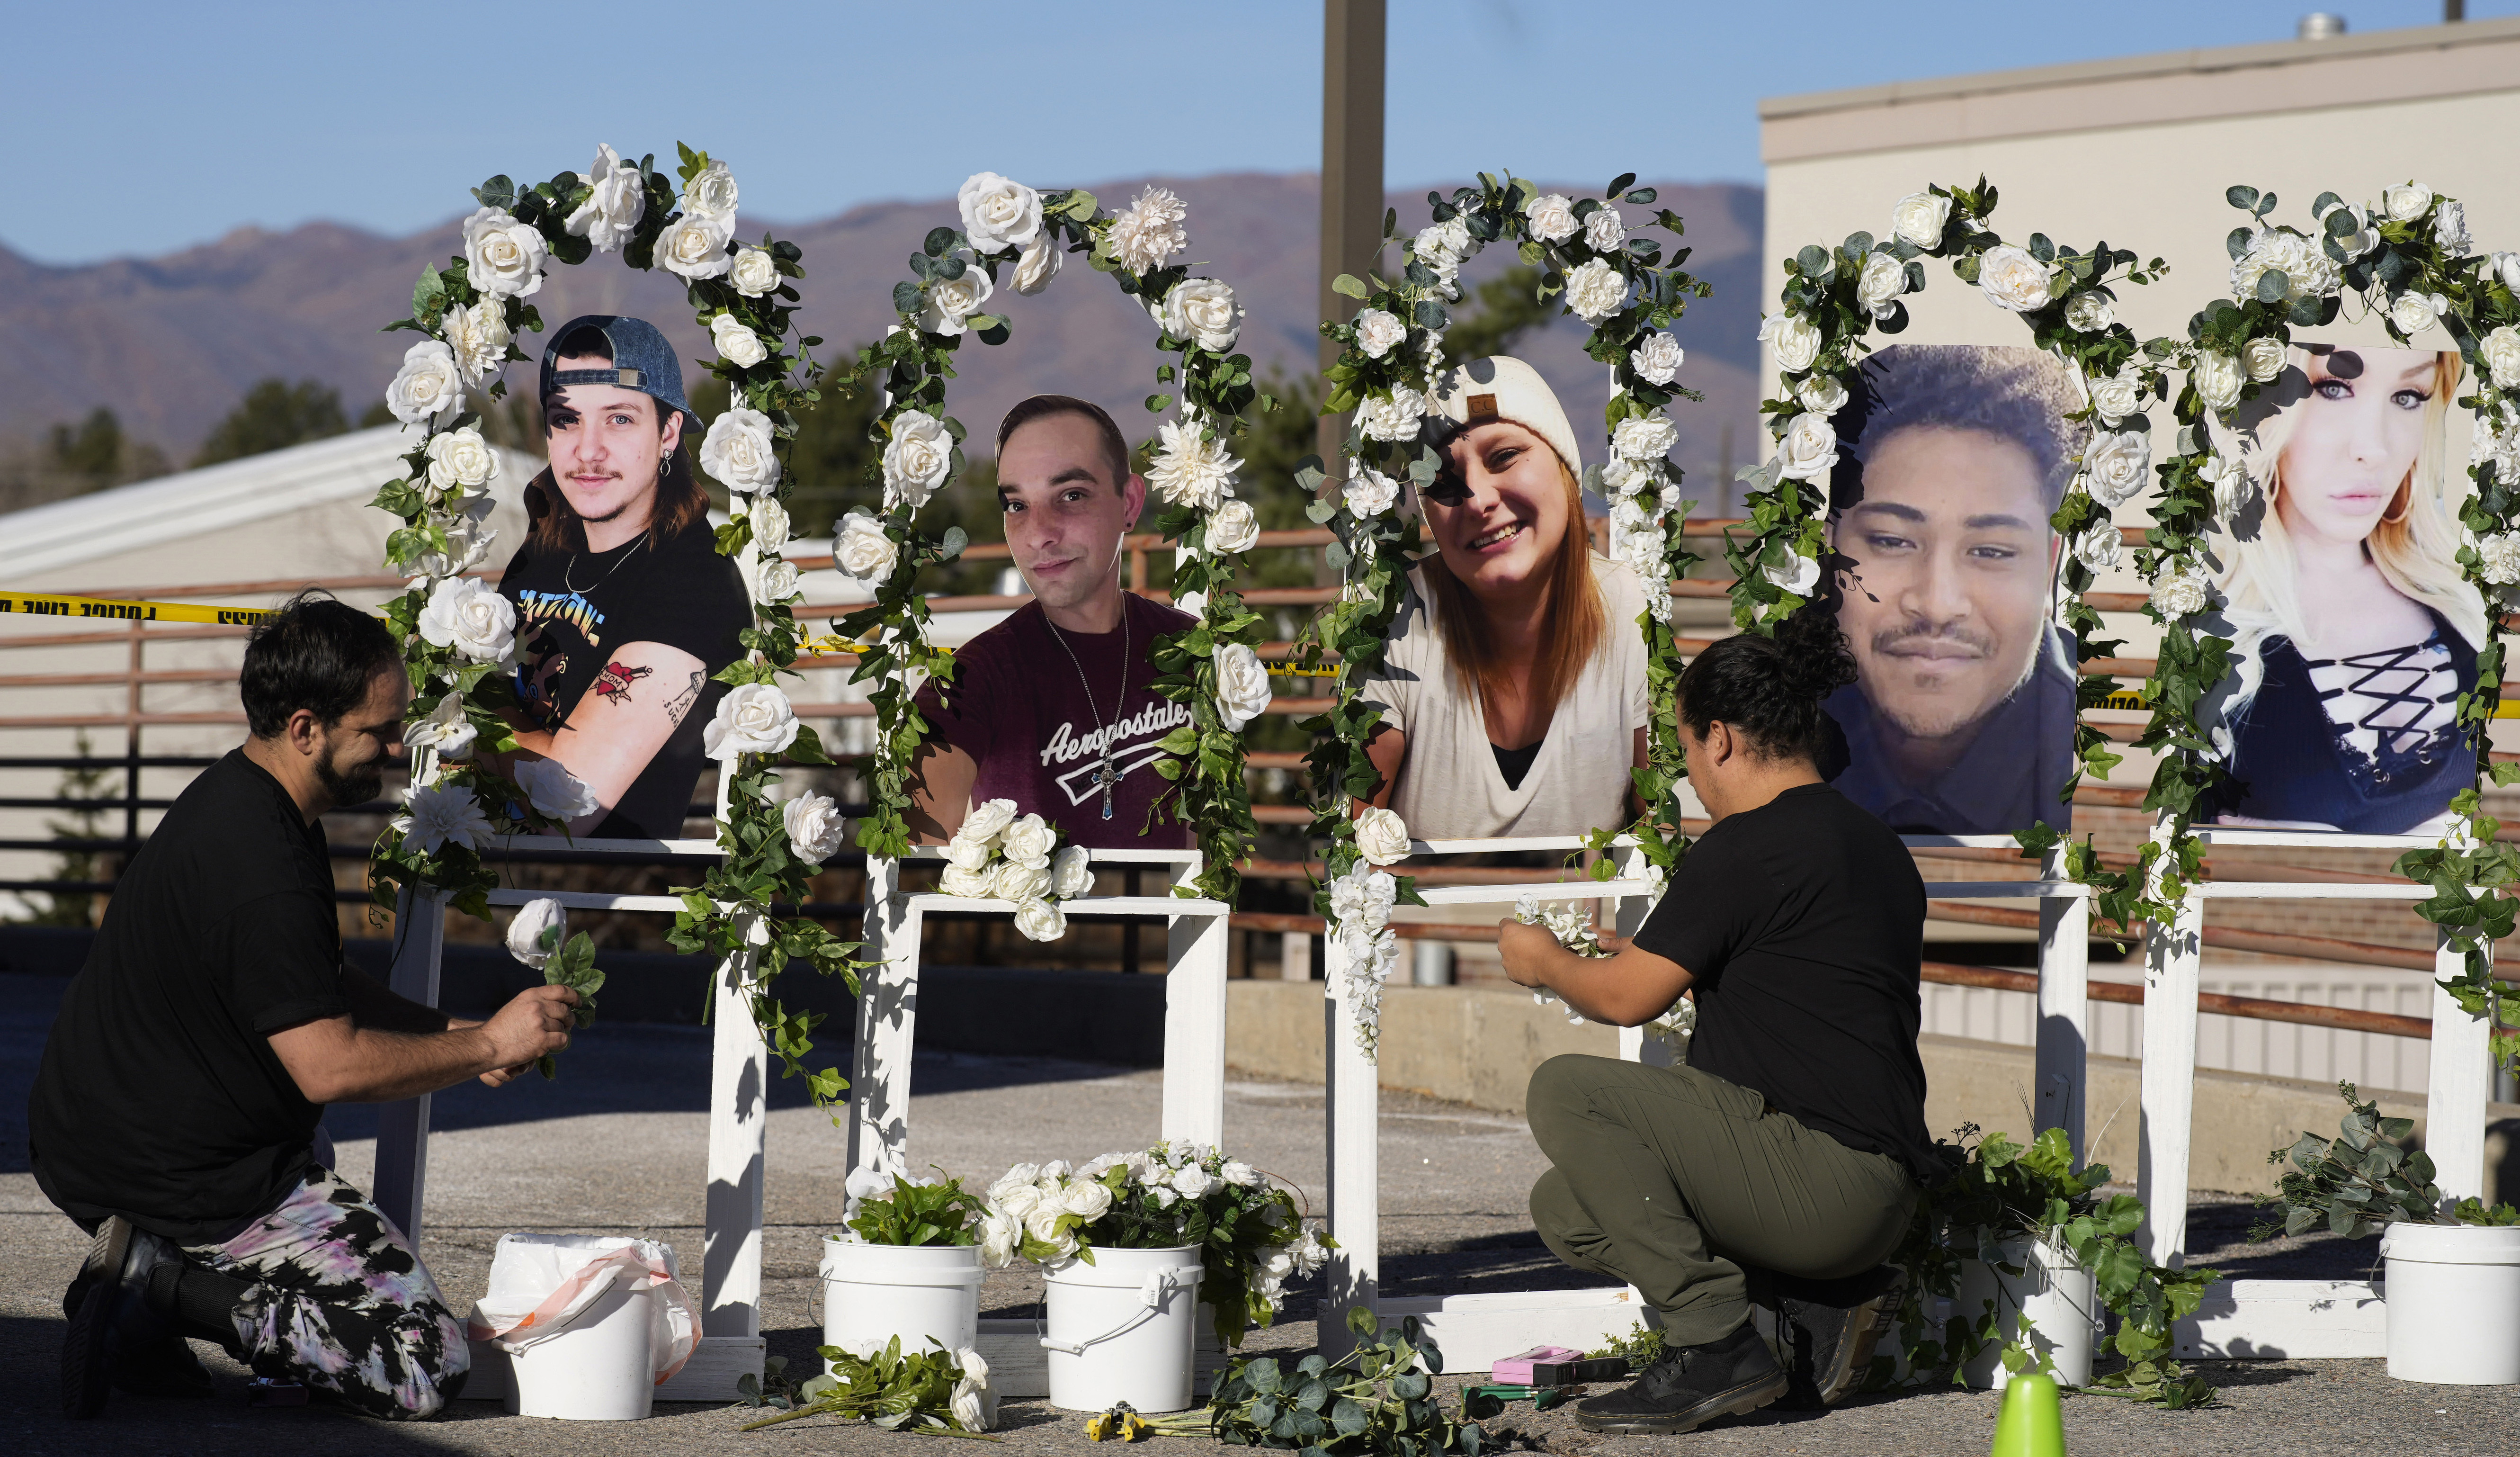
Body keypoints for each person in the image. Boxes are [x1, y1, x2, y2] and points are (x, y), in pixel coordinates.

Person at [30, 593, 581, 1420]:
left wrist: (451, 1032)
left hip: (99, 1142)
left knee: (306, 1139)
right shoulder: (263, 864)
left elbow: (307, 980)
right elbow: (329, 1063)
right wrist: (488, 1048)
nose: (396, 750)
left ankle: (147, 1302)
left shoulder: (252, 800)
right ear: (304, 727)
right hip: (187, 1176)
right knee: (422, 1363)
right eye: (379, 731)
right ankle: (157, 1285)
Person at [1497, 611, 1935, 1435]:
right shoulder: (1872, 845)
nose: (1691, 771)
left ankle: (1716, 1345)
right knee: (1570, 1205)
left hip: (1817, 1180)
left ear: (1723, 739)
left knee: (1568, 1091)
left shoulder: (1744, 847)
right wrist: (1651, 955)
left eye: (1688, 747)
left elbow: (1627, 1000)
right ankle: (1809, 1309)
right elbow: (1801, 993)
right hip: (1874, 1198)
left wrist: (1542, 963)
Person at [1359, 356, 1651, 838]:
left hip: (1592, 917)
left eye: (1504, 457)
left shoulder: (1628, 603)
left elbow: (1655, 827)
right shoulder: (1397, 614)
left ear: (1565, 469)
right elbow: (1358, 849)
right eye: (1445, 484)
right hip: (1422, 917)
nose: (1478, 498)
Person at [492, 314, 751, 839]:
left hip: (606, 901)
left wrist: (458, 709)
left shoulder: (694, 579)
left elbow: (568, 804)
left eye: (619, 419)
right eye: (566, 420)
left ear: (669, 432)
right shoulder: (541, 555)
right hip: (484, 882)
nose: (588, 451)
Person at [2205, 345, 2483, 833]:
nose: (2373, 448)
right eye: (2332, 388)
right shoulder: (2213, 630)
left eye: (2408, 395)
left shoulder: (2462, 606)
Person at [908, 395, 1197, 847]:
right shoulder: (969, 681)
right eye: (1017, 505)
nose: (1040, 534)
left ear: (1130, 503)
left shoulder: (1191, 650)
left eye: (1072, 496)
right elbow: (912, 866)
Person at [1821, 344, 2083, 835]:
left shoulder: (2095, 757)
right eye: (1892, 541)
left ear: (2049, 566)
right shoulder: (1774, 734)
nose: (1937, 605)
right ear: (1830, 549)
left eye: (1992, 551)